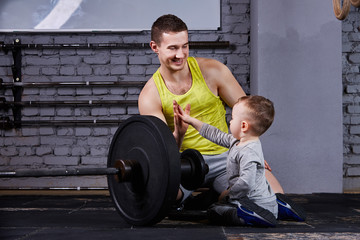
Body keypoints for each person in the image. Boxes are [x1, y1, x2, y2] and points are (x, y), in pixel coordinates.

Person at [138, 14, 305, 222]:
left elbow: (250, 116)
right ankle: (216, 200)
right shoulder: (149, 95)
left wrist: (251, 152)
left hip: (226, 157)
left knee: (274, 195)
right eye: (172, 48)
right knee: (162, 200)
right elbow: (163, 156)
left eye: (185, 46)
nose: (180, 54)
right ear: (155, 47)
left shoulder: (213, 71)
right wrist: (179, 134)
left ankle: (223, 199)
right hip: (183, 163)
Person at [175, 95, 277, 226]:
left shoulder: (249, 152)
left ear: (244, 126)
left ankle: (254, 214)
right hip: (258, 200)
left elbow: (247, 183)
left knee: (214, 211)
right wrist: (190, 120)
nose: (230, 121)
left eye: (233, 118)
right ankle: (274, 206)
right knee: (218, 204)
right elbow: (215, 134)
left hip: (253, 203)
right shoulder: (237, 141)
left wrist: (228, 194)